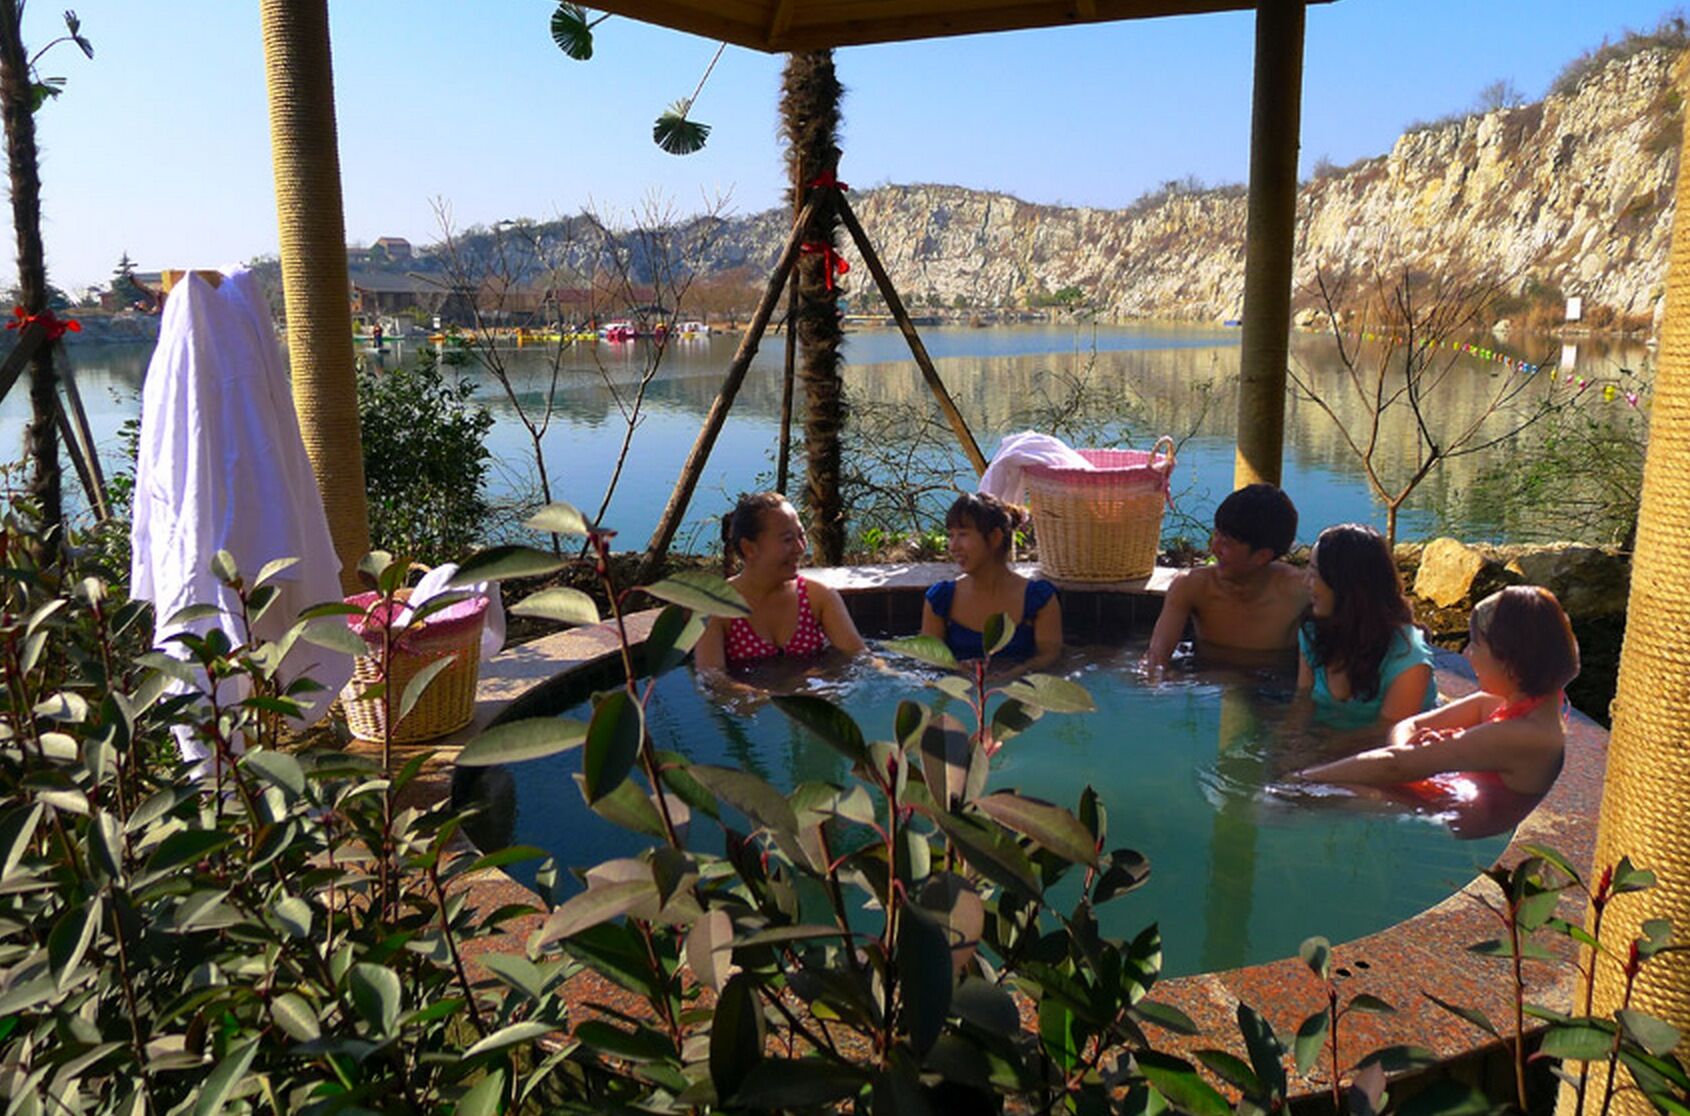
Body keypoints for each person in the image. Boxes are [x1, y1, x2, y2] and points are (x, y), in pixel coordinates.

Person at [1296, 586, 1578, 812]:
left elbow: (1394, 764)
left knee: (1327, 792)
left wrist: (1301, 780)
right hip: (1455, 798)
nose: (1466, 654)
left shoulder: (1523, 735)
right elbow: (1407, 727)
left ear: (1510, 663)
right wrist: (1413, 750)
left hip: (1464, 833)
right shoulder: (1517, 705)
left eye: (1475, 645)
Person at [1142, 484, 1308, 677]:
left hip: (1272, 685)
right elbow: (1156, 661)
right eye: (1216, 535)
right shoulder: (1192, 586)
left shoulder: (1299, 592)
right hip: (1205, 679)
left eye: (1227, 543)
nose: (1214, 548)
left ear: (1262, 556)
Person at [694, 492, 866, 670]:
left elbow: (859, 658)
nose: (800, 548)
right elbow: (713, 678)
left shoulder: (819, 597)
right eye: (788, 539)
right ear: (749, 548)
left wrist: (885, 672)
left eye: (801, 535)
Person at [1296, 523, 1436, 727]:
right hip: (1328, 740)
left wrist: (1318, 745)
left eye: (1315, 573)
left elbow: (1385, 735)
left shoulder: (1408, 660)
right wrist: (1286, 741)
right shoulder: (1313, 631)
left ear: (1346, 585)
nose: (1305, 582)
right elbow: (1302, 703)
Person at [921, 492, 1062, 672]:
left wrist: (1014, 673)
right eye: (951, 535)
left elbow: (1049, 656)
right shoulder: (940, 600)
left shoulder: (1039, 599)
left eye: (963, 534)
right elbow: (929, 661)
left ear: (995, 537)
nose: (953, 546)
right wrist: (958, 669)